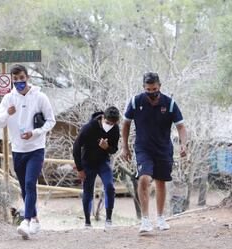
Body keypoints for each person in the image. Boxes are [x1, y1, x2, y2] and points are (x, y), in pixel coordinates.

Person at [0, 64, 56, 239]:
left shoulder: (40, 97)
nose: (19, 82)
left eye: (21, 78)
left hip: (36, 148)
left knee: (30, 184)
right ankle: (35, 220)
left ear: (27, 77)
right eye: (15, 80)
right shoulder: (8, 99)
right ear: (12, 80)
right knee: (24, 188)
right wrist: (7, 113)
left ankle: (26, 220)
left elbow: (51, 121)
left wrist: (35, 133)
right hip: (17, 149)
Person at [121, 72, 187, 233]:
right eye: (148, 89)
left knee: (160, 182)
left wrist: (184, 144)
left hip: (164, 149)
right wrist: (125, 146)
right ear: (144, 88)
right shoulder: (135, 102)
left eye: (154, 88)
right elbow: (125, 124)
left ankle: (160, 217)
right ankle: (144, 220)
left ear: (160, 86)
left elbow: (181, 126)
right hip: (143, 148)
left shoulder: (170, 104)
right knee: (143, 179)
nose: (152, 92)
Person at [73, 106, 120, 229]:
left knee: (109, 186)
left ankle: (109, 219)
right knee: (88, 191)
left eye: (113, 123)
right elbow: (76, 147)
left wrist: (107, 148)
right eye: (108, 122)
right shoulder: (89, 128)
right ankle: (87, 222)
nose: (110, 125)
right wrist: (79, 169)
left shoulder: (115, 129)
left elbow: (114, 149)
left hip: (103, 162)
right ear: (103, 118)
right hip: (87, 162)